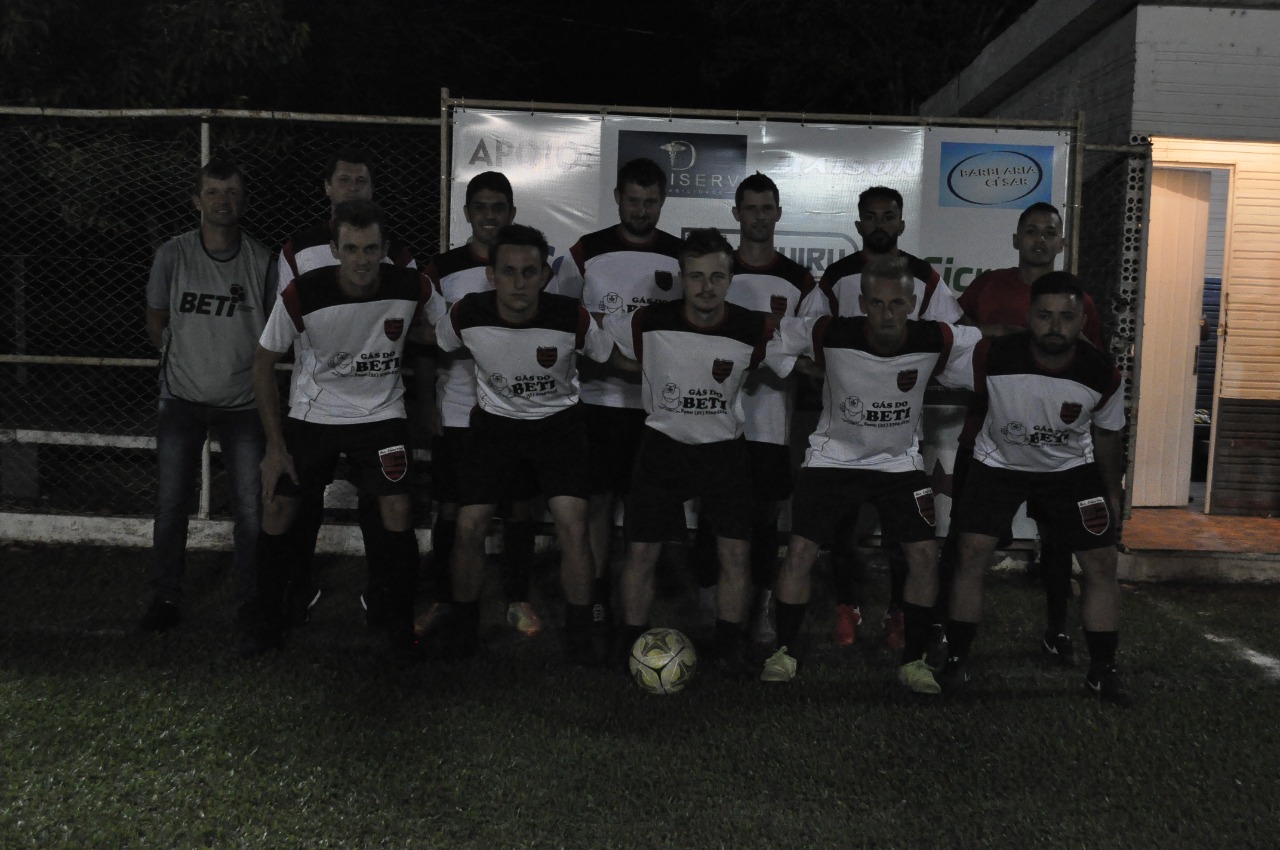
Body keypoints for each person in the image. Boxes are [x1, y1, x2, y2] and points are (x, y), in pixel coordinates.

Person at [762, 258, 980, 694]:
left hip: (897, 462)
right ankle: (783, 652)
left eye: (897, 303)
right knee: (800, 551)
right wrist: (809, 368)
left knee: (923, 556)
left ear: (913, 304)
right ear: (861, 303)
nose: (887, 313)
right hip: (832, 459)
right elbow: (777, 341)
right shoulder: (830, 333)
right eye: (877, 303)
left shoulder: (935, 337)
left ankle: (914, 661)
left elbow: (983, 348)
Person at [238, 200, 445, 658]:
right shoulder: (303, 293)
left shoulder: (412, 285)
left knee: (397, 511)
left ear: (385, 249)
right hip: (315, 414)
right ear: (334, 249)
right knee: (278, 510)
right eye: (351, 249)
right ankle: (265, 620)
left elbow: (441, 329)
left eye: (371, 249)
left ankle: (399, 628)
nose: (362, 260)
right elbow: (263, 363)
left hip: (381, 414)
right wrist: (275, 447)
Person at [944, 272, 1130, 706]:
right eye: (1045, 315)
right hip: (998, 465)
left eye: (1066, 316)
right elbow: (927, 360)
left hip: (1070, 470)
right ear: (1029, 315)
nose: (1055, 325)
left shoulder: (1102, 373)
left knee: (1101, 564)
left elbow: (1107, 437)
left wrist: (1112, 492)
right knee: (970, 553)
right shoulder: (992, 354)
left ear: (1082, 321)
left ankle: (1102, 671)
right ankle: (955, 660)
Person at [607, 228, 788, 676]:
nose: (706, 286)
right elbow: (607, 351)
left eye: (716, 277)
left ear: (730, 279)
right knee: (641, 553)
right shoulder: (648, 321)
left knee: (735, 554)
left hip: (724, 450)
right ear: (682, 278)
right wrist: (648, 373)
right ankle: (631, 646)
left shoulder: (753, 327)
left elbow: (798, 361)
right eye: (696, 276)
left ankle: (728, 648)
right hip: (662, 446)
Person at [429, 224, 614, 662]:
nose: (519, 282)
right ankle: (464, 633)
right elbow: (441, 343)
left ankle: (580, 638)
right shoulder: (466, 313)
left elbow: (607, 355)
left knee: (573, 523)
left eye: (529, 272)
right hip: (494, 427)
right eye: (509, 271)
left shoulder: (571, 316)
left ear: (545, 276)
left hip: (559, 427)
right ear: (490, 274)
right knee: (469, 524)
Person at [799, 186, 964, 651]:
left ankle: (899, 612)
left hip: (899, 431)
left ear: (902, 223)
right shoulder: (837, 276)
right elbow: (809, 338)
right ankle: (846, 605)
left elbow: (948, 338)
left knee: (902, 535)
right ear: (858, 225)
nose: (879, 225)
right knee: (842, 528)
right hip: (845, 431)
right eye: (870, 217)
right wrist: (833, 373)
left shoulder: (924, 278)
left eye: (888, 216)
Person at [952, 202, 1106, 666]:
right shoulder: (989, 285)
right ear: (1016, 239)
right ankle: (946, 634)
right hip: (986, 437)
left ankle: (1056, 631)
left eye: (1049, 232)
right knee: (966, 542)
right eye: (1032, 231)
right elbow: (953, 335)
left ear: (1061, 242)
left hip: (1055, 449)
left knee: (1057, 545)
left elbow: (1093, 365)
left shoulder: (1079, 302)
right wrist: (994, 331)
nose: (1040, 239)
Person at [274, 148, 420, 628]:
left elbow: (417, 320)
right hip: (313, 400)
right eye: (344, 180)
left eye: (362, 181)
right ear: (327, 188)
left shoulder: (396, 252)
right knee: (300, 502)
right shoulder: (298, 250)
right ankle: (294, 588)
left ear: (372, 189)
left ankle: (384, 597)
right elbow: (284, 325)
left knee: (381, 504)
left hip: (376, 405)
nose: (353, 188)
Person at [549, 157, 683, 633]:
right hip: (599, 402)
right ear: (617, 199)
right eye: (634, 200)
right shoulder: (586, 251)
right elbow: (562, 318)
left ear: (663, 202)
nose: (641, 210)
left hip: (656, 409)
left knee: (646, 511)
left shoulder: (680, 256)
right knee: (599, 505)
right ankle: (597, 599)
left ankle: (636, 606)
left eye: (651, 202)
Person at [141, 159, 275, 631]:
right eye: (214, 192)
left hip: (243, 403)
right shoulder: (173, 255)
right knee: (171, 503)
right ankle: (165, 597)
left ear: (244, 201)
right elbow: (156, 317)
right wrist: (181, 359)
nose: (223, 201)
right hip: (181, 398)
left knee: (250, 507)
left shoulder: (262, 261)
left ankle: (251, 599)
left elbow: (273, 334)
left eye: (232, 192)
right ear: (196, 201)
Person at [418, 172, 545, 640]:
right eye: (481, 207)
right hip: (457, 409)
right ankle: (444, 599)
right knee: (452, 510)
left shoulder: (527, 267)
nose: (489, 216)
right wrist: (426, 399)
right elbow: (429, 339)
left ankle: (517, 598)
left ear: (511, 212)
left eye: (498, 207)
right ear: (467, 213)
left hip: (514, 412)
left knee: (518, 507)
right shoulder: (441, 269)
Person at [691, 173, 815, 645]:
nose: (759, 217)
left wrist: (774, 351)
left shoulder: (800, 281)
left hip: (769, 422)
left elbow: (807, 348)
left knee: (765, 518)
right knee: (713, 513)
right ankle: (709, 605)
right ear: (736, 213)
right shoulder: (718, 270)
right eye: (750, 208)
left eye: (767, 208)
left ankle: (760, 608)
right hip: (714, 418)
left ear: (778, 213)